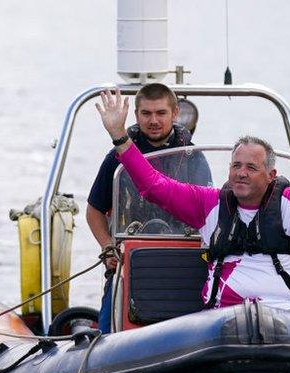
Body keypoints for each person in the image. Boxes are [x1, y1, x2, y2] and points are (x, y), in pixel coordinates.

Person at [95, 88, 290, 312]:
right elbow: (154, 186)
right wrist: (120, 137)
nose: (241, 173)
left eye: (251, 167)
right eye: (236, 165)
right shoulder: (209, 204)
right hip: (223, 321)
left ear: (271, 175)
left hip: (289, 316)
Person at [86, 83, 208, 333]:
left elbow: (207, 212)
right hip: (128, 259)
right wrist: (108, 248)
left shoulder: (193, 157)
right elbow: (94, 210)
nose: (154, 120)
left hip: (182, 258)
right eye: (147, 113)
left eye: (161, 113)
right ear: (136, 115)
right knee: (109, 324)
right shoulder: (116, 158)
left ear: (175, 114)